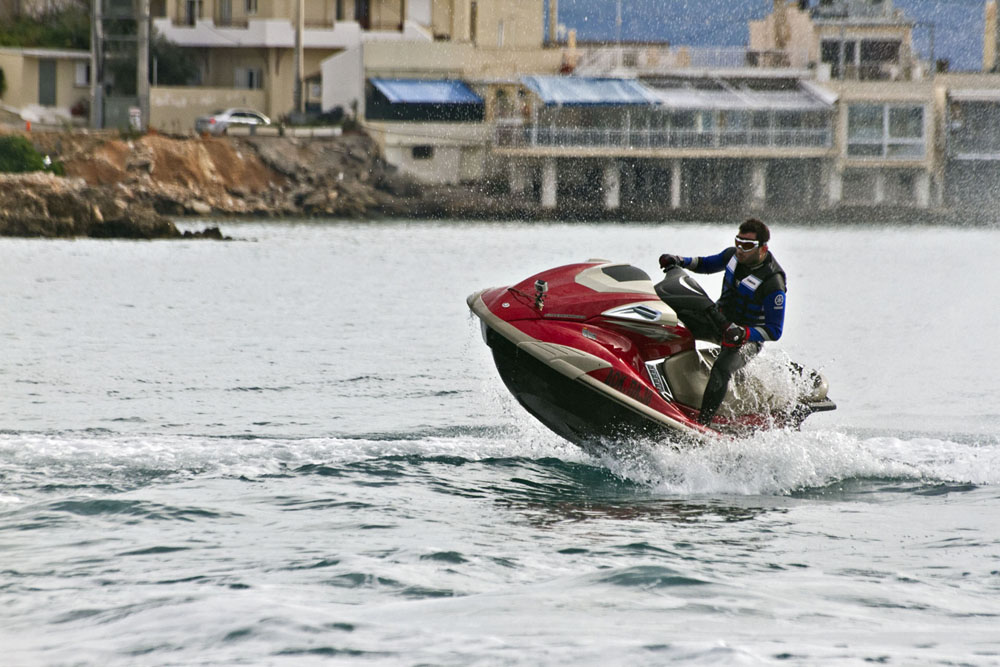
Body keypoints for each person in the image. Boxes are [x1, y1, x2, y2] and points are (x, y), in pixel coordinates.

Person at [658, 218, 787, 426]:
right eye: (738, 242)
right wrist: (679, 260)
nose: (740, 249)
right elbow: (705, 264)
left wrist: (743, 333)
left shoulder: (773, 282)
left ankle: (703, 424)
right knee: (673, 323)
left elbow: (774, 331)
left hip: (745, 339)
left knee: (721, 368)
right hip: (719, 321)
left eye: (747, 245)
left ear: (763, 248)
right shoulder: (732, 256)